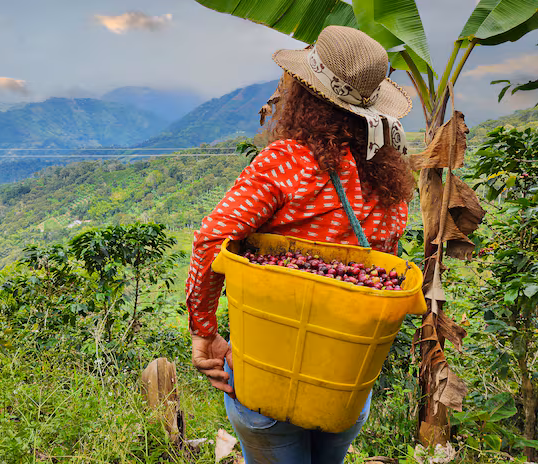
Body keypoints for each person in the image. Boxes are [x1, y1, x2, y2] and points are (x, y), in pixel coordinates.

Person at [185, 26, 415, 463]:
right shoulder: (388, 181)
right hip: (343, 384)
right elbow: (383, 270)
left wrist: (204, 332)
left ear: (306, 95)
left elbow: (212, 239)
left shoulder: (287, 162)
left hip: (268, 371)